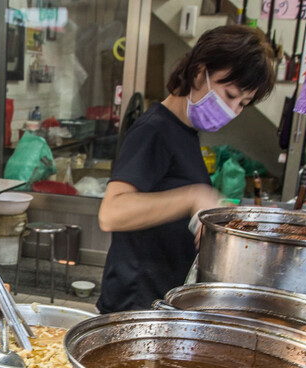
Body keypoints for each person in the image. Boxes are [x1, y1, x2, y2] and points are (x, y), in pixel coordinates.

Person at [96, 25, 276, 313]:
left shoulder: (185, 131)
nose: (233, 110)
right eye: (230, 95)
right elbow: (111, 213)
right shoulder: (154, 130)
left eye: (243, 103)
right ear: (198, 73)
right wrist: (192, 197)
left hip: (162, 299)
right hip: (136, 305)